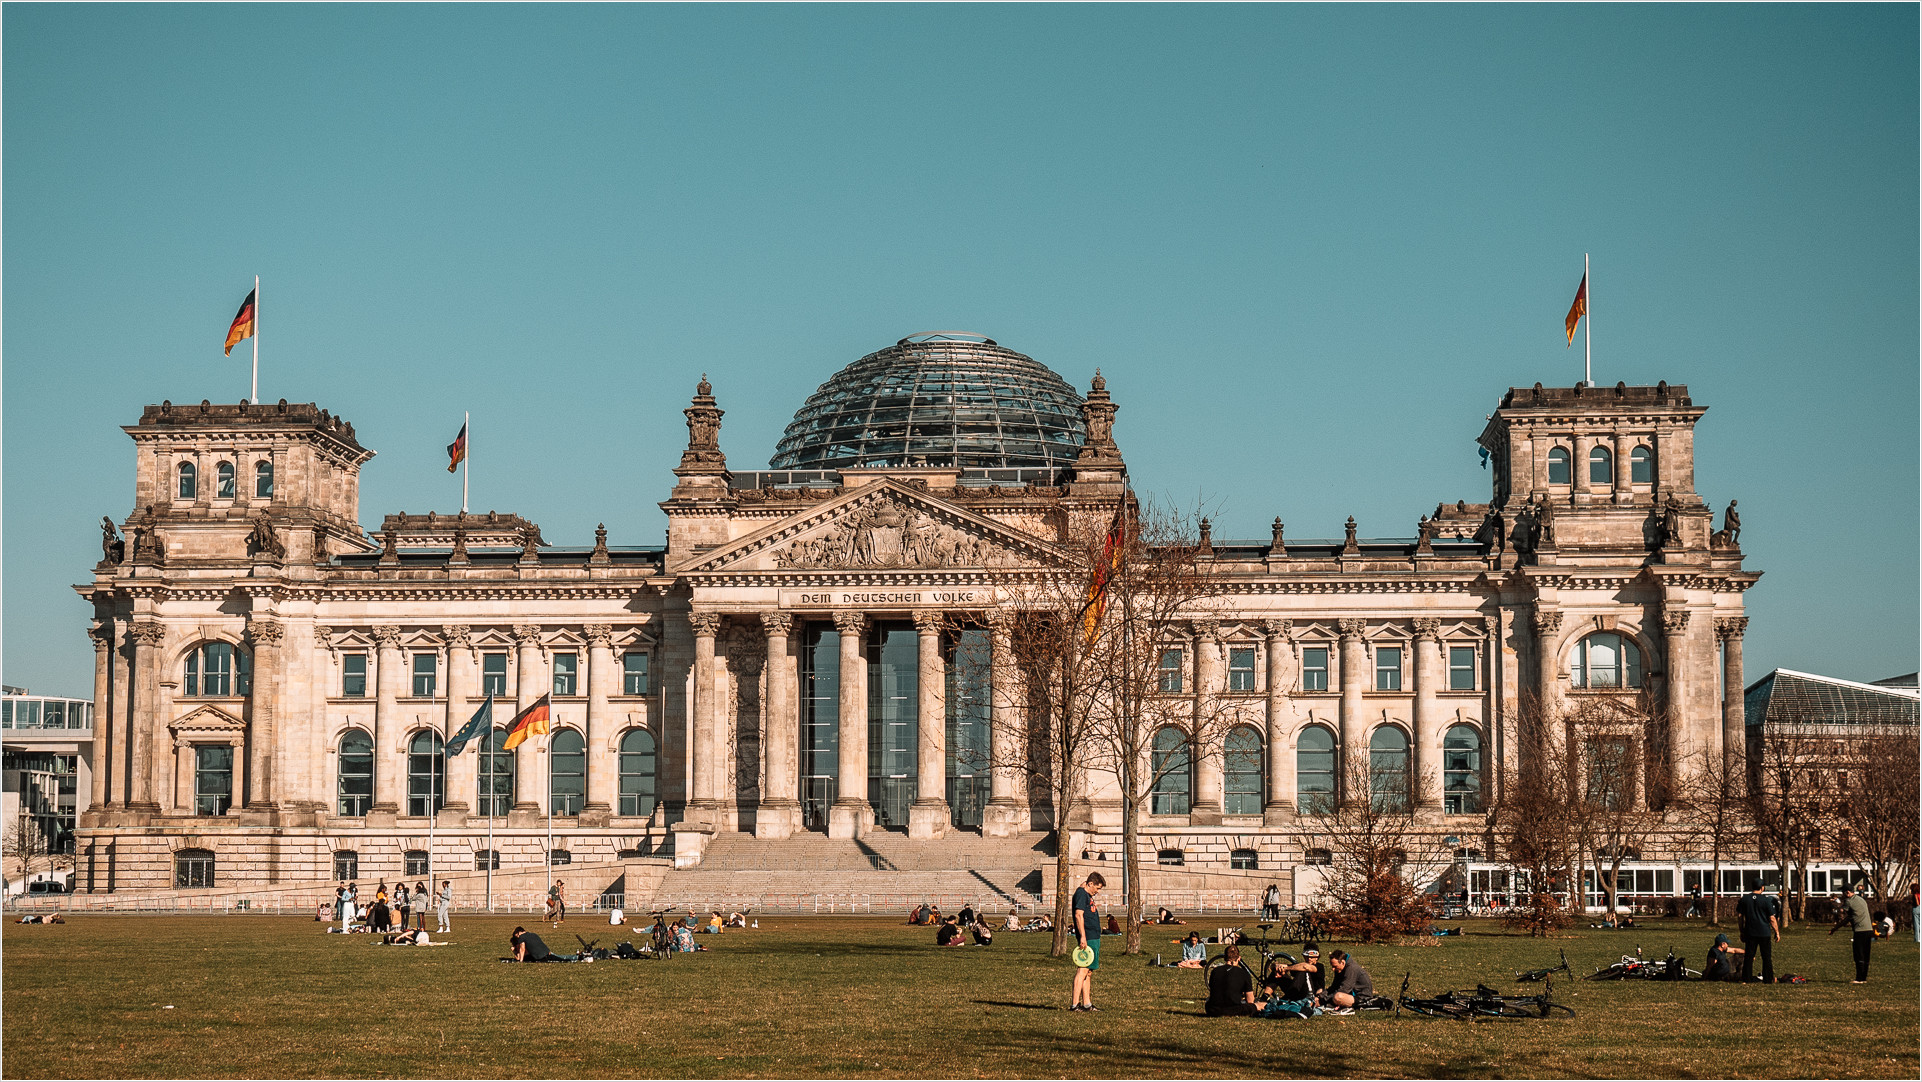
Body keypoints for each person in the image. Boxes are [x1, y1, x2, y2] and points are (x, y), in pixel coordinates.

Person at [1069, 871, 1105, 1011]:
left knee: (1089, 972)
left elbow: (1084, 885)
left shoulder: (1085, 893)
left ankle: (1087, 1004)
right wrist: (1082, 936)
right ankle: (1074, 1004)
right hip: (1088, 936)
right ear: (1090, 884)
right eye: (1097, 888)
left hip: (1094, 936)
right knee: (1082, 969)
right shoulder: (1081, 894)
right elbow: (1079, 915)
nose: (1097, 892)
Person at [1736, 880, 1781, 983]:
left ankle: (1746, 978)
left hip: (1750, 931)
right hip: (1764, 932)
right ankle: (1768, 978)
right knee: (1766, 957)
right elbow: (1772, 918)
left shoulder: (1745, 899)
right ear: (1762, 887)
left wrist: (1741, 930)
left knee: (1749, 956)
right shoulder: (1766, 900)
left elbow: (1739, 916)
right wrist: (1777, 932)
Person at [1829, 883, 1873, 984]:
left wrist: (1835, 912)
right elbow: (1849, 917)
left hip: (1860, 931)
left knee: (1858, 954)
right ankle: (1864, 978)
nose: (1842, 894)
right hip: (1868, 929)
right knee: (1866, 955)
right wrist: (1835, 928)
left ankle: (1859, 978)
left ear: (1847, 892)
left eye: (1843, 892)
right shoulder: (1861, 899)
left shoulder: (1848, 901)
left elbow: (1842, 912)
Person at [1204, 945, 1261, 1016]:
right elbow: (1250, 1001)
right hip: (1234, 1010)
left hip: (1213, 1010)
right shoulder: (1244, 973)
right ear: (1239, 958)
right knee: (1259, 1005)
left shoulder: (1215, 971)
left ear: (1224, 958)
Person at [1324, 949, 1373, 1014]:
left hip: (1362, 998)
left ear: (1343, 962)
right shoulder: (1339, 969)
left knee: (1338, 997)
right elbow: (1334, 986)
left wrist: (1324, 999)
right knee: (1320, 991)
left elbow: (1344, 989)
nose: (1333, 969)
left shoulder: (1352, 969)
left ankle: (1347, 1008)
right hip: (1350, 994)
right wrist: (1320, 996)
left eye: (1335, 966)